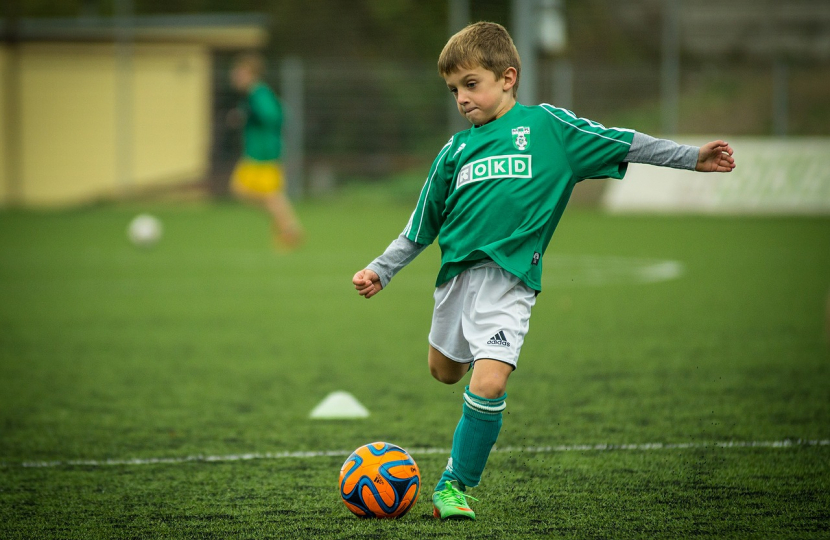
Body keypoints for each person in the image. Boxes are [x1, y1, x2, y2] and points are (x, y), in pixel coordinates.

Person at [352, 22, 735, 521]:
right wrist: (382, 271)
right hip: (456, 283)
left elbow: (624, 142)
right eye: (454, 90)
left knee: (488, 384)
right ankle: (478, 366)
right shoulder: (454, 152)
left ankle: (454, 484)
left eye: (472, 84)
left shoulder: (550, 129)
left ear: (508, 77)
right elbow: (420, 225)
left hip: (511, 282)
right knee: (444, 372)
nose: (462, 98)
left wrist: (690, 157)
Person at [228, 53, 303, 249]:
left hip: (264, 153)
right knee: (245, 191)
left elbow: (275, 115)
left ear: (251, 74)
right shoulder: (252, 95)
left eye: (240, 72)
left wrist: (250, 114)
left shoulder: (258, 93)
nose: (235, 76)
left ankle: (289, 228)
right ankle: (286, 225)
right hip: (255, 153)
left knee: (267, 195)